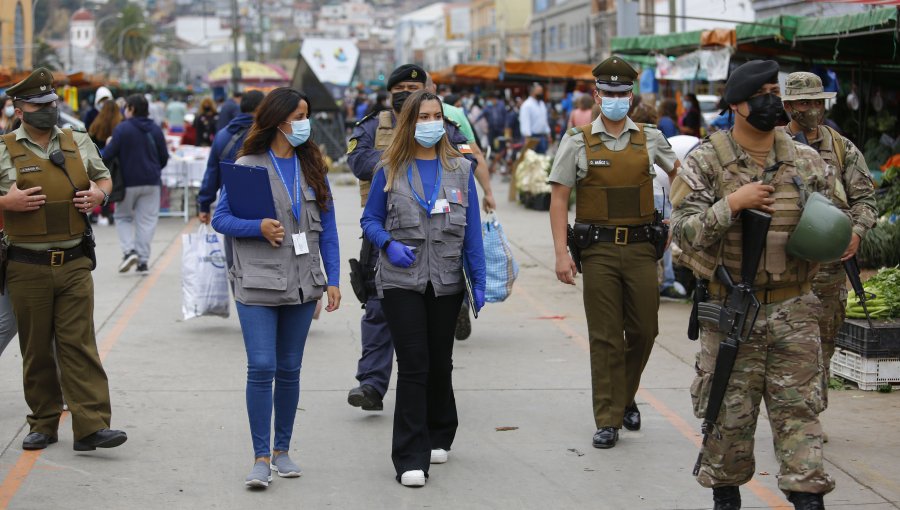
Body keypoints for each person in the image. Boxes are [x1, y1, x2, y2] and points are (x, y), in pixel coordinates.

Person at [671, 60, 844, 510]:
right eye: (762, 93)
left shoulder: (806, 161)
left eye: (775, 91)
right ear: (737, 105)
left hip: (795, 313)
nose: (772, 101)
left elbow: (837, 223)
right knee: (726, 433)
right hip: (733, 316)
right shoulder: (706, 161)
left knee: (802, 431)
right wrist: (731, 204)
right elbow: (682, 233)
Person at [211, 87, 341, 488]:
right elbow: (221, 219)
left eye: (307, 114)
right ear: (279, 119)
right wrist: (257, 227)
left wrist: (333, 279)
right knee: (262, 365)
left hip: (304, 284)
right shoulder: (247, 165)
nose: (306, 123)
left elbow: (330, 230)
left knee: (289, 368)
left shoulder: (314, 166)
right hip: (258, 281)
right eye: (299, 115)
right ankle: (260, 456)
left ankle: (283, 451)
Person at [549, 56, 678, 450]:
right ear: (597, 95)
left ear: (631, 95)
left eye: (623, 93)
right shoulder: (577, 140)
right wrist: (560, 254)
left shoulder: (650, 138)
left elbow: (683, 175)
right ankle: (608, 419)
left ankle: (624, 395)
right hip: (599, 251)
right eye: (609, 93)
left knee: (644, 330)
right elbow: (559, 199)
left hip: (641, 248)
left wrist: (673, 219)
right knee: (606, 337)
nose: (616, 99)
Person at [360, 89, 485, 487]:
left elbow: (473, 232)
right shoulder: (389, 168)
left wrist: (478, 280)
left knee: (439, 362)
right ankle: (409, 457)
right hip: (401, 281)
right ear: (409, 122)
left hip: (446, 280)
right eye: (423, 117)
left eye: (436, 117)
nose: (430, 124)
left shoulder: (461, 169)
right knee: (413, 365)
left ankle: (441, 429)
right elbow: (370, 220)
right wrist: (387, 244)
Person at [0, 67, 126, 452]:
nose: (48, 110)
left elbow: (103, 179)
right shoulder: (4, 147)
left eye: (51, 103)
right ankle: (43, 423)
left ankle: (91, 426)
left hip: (73, 261)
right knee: (36, 349)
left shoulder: (77, 139)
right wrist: (6, 202)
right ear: (19, 108)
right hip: (26, 264)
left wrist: (98, 196)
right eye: (39, 104)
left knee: (79, 344)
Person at [345, 64, 480, 413]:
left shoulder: (443, 126)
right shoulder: (373, 125)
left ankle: (430, 398)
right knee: (377, 305)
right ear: (390, 93)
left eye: (414, 86)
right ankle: (371, 384)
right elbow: (359, 162)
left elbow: (467, 163)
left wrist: (432, 151)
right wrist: (401, 156)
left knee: (435, 308)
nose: (407, 92)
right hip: (388, 228)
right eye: (400, 87)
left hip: (442, 233)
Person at [781, 71, 877, 385]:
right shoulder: (773, 146)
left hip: (829, 270)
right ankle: (799, 416)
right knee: (788, 346)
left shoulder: (841, 147)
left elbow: (865, 198)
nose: (811, 109)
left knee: (824, 343)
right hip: (784, 266)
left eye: (817, 102)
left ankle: (813, 411)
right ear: (788, 106)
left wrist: (857, 232)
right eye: (803, 102)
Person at [102, 94, 169, 274]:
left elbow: (107, 154)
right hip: (152, 182)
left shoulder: (122, 129)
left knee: (123, 217)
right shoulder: (155, 129)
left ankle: (129, 251)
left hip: (127, 182)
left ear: (131, 108)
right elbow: (164, 157)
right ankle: (143, 261)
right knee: (146, 221)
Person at [198, 90, 266, 224]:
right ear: (260, 108)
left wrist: (204, 205)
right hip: (262, 206)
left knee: (232, 243)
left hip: (230, 208)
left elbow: (212, 172)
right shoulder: (266, 134)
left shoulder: (222, 135)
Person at [87, 100, 122, 225]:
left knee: (101, 185)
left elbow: (90, 141)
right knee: (115, 186)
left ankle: (100, 212)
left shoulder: (96, 124)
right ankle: (111, 212)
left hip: (99, 159)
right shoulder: (120, 125)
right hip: (115, 161)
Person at [518, 84, 551, 154]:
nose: (541, 93)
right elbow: (525, 122)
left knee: (542, 160)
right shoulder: (527, 105)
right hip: (532, 137)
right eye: (539, 91)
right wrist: (527, 138)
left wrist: (548, 133)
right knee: (532, 160)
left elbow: (544, 120)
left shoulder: (542, 104)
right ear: (532, 92)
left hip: (542, 136)